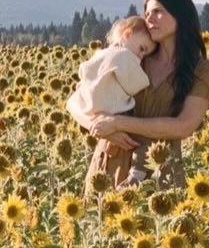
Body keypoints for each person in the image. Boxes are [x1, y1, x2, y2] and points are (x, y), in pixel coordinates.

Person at [68, 0, 209, 190]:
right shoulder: (133, 56)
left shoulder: (202, 71)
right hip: (110, 167)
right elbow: (74, 101)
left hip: (161, 170)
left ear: (181, 16)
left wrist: (118, 123)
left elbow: (184, 126)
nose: (150, 18)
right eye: (148, 13)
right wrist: (103, 130)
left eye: (158, 11)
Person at [66, 16, 155, 185]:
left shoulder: (101, 54)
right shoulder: (124, 57)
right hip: (111, 127)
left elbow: (77, 91)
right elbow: (139, 84)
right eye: (142, 49)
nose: (141, 56)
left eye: (145, 53)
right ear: (127, 35)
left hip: (93, 114)